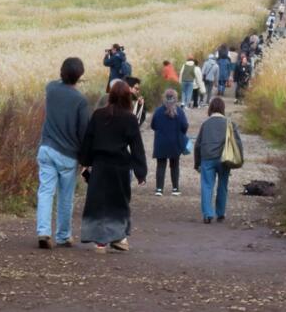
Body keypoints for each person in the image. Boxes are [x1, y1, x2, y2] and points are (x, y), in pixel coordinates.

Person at [79, 81, 148, 254]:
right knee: (118, 203)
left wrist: (84, 162)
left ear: (110, 96)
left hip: (100, 164)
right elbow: (137, 147)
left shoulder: (98, 115)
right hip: (120, 167)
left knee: (98, 202)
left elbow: (88, 140)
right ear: (127, 97)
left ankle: (100, 242)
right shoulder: (130, 118)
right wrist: (141, 172)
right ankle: (118, 237)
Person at [37, 57, 89, 249]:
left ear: (61, 72)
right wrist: (85, 159)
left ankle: (43, 231)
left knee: (45, 191)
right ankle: (63, 235)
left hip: (47, 148)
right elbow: (84, 132)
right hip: (68, 154)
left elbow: (57, 84)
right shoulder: (80, 101)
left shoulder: (51, 88)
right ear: (79, 76)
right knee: (65, 196)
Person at [194, 97, 243, 224]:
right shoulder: (229, 123)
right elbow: (237, 142)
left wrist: (197, 163)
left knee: (207, 185)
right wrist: (239, 159)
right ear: (223, 109)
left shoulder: (205, 124)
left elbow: (198, 145)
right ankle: (220, 213)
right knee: (222, 186)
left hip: (207, 158)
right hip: (224, 159)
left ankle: (207, 214)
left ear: (210, 108)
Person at [151, 89, 188, 196]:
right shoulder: (180, 112)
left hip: (161, 143)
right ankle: (175, 188)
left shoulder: (158, 111)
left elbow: (153, 126)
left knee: (161, 165)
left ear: (164, 98)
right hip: (175, 142)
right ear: (176, 98)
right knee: (175, 165)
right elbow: (185, 126)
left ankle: (159, 189)